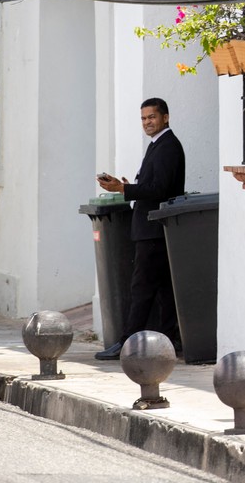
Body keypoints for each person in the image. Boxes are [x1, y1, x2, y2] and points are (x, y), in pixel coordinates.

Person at [94, 98, 185, 360]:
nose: (147, 123)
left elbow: (160, 189)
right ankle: (167, 340)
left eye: (152, 117)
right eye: (143, 119)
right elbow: (151, 184)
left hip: (154, 228)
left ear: (165, 118)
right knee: (163, 289)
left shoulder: (168, 146)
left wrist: (123, 189)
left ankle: (127, 343)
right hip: (152, 227)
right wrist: (127, 186)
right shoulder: (157, 145)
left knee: (142, 287)